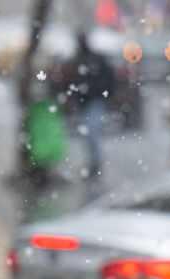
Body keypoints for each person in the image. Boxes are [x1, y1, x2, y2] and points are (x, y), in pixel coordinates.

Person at [69, 31, 116, 178]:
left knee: (91, 134)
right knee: (90, 134)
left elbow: (106, 78)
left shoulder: (90, 59)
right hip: (89, 101)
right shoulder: (84, 59)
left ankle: (95, 163)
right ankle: (94, 163)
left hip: (93, 101)